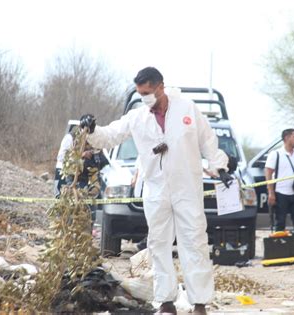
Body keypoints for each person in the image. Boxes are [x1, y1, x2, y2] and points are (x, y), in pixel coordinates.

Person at [82, 67, 232, 315]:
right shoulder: (137, 117)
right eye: (141, 94)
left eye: (148, 93)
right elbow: (110, 136)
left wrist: (220, 166)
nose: (145, 98)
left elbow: (207, 139)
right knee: (158, 244)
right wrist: (92, 129)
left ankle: (200, 303)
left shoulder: (187, 109)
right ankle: (165, 302)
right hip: (156, 190)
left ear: (161, 87)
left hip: (187, 188)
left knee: (194, 243)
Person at [265, 128, 294, 258]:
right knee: (280, 223)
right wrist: (271, 193)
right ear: (287, 138)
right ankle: (279, 250)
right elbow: (268, 173)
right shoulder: (276, 154)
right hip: (280, 193)